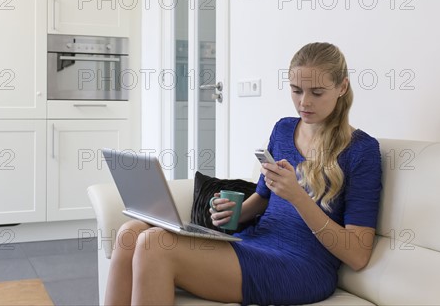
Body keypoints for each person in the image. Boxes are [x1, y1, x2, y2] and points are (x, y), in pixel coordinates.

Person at [104, 42, 382, 305]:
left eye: (316, 92)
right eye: (296, 90)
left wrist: (298, 198)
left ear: (342, 87)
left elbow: (357, 255)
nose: (303, 102)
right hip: (256, 241)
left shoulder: (361, 151)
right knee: (131, 232)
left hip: (303, 265)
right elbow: (261, 199)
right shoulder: (284, 129)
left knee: (155, 245)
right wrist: (231, 213)